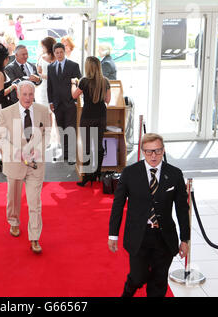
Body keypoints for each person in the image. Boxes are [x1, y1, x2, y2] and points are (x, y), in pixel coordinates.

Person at [108, 133, 190, 297]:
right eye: (149, 151)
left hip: (164, 237)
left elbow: (182, 208)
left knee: (159, 282)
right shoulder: (129, 173)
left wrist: (185, 239)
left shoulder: (174, 174)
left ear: (163, 150)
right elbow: (118, 205)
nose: (153, 156)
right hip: (139, 235)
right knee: (138, 277)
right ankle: (129, 289)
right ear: (142, 151)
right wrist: (113, 235)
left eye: (157, 151)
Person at [0, 81, 51, 254]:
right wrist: (17, 153)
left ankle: (34, 237)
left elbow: (47, 133)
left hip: (35, 164)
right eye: (24, 94)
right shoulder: (5, 113)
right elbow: (0, 139)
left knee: (35, 202)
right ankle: (13, 221)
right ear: (18, 95)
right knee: (13, 197)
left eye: (31, 94)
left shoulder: (43, 110)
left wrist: (39, 149)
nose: (28, 98)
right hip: (14, 162)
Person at [71, 56, 111, 186]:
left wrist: (73, 84)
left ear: (88, 67)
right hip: (101, 116)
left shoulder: (84, 81)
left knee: (87, 147)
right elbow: (107, 100)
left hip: (88, 116)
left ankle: (88, 176)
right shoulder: (105, 81)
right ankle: (97, 173)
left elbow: (74, 95)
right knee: (98, 146)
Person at [47, 42, 81, 164]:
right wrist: (50, 101)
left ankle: (72, 156)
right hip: (57, 104)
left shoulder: (73, 66)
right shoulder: (50, 67)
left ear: (64, 52)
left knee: (70, 129)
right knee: (61, 129)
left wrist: (77, 101)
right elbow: (49, 86)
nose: (59, 54)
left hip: (71, 103)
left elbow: (79, 85)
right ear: (54, 53)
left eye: (61, 52)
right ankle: (64, 154)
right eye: (57, 52)